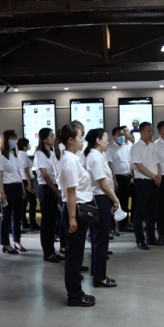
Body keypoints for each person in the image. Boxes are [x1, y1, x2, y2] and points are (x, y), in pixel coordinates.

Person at [58, 123, 96, 307]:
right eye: (80, 137)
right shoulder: (70, 161)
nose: (82, 140)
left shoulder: (73, 158)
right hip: (75, 210)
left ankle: (77, 291)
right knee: (74, 256)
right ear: (70, 140)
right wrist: (73, 218)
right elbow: (71, 192)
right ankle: (74, 295)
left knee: (77, 254)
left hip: (78, 208)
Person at [85, 128, 119, 288]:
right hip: (101, 199)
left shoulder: (98, 155)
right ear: (98, 141)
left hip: (101, 198)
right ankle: (100, 277)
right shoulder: (95, 157)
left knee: (99, 239)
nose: (108, 142)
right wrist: (115, 198)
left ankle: (97, 273)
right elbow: (103, 184)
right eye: (106, 139)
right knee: (101, 239)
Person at [130, 122, 161, 250]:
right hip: (142, 183)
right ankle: (140, 240)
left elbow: (158, 163)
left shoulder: (153, 146)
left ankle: (151, 238)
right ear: (141, 132)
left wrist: (159, 176)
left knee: (152, 213)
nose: (151, 133)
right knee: (140, 213)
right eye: (148, 131)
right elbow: (139, 166)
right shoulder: (136, 147)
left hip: (154, 183)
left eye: (151, 131)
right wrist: (154, 176)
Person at [0, 130, 26, 254]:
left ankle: (17, 241)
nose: (14, 141)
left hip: (17, 186)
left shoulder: (13, 154)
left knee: (17, 216)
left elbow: (18, 173)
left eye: (15, 139)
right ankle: (5, 243)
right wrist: (1, 192)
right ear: (5, 140)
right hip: (7, 188)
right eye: (12, 139)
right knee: (6, 216)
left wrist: (22, 188)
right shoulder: (0, 156)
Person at [34, 128, 61, 263]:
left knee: (52, 222)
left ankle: (52, 250)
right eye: (51, 136)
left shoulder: (52, 152)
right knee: (47, 222)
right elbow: (45, 174)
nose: (53, 138)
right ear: (44, 139)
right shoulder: (39, 154)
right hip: (46, 188)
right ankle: (47, 252)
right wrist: (55, 190)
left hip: (54, 187)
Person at [108, 126, 133, 233]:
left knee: (124, 202)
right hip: (117, 178)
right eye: (120, 135)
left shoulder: (126, 147)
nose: (122, 137)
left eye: (123, 135)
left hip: (127, 177)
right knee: (115, 203)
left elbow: (129, 162)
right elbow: (110, 165)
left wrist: (131, 176)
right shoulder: (111, 149)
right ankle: (112, 227)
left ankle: (123, 224)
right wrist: (114, 180)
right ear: (114, 137)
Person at [17, 138, 39, 230]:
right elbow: (26, 171)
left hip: (23, 179)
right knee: (33, 202)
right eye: (27, 144)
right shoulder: (23, 155)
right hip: (26, 180)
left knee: (24, 202)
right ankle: (32, 223)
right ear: (24, 145)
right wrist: (30, 183)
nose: (29, 146)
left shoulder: (19, 154)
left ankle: (24, 222)